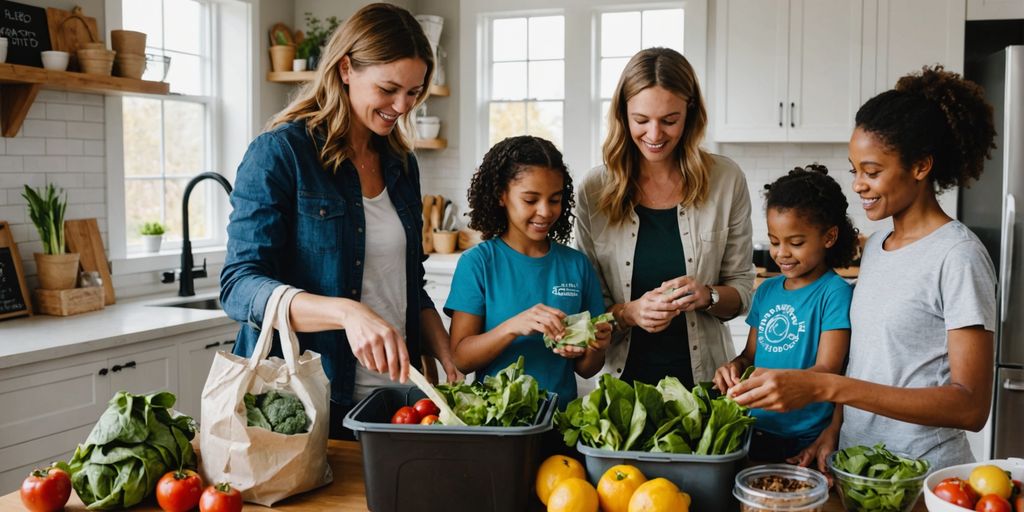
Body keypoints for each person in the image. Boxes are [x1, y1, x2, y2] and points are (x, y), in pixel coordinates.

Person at [728, 66, 998, 471]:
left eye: (872, 172)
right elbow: (866, 365)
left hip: (921, 473)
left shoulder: (958, 256)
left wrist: (825, 384)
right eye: (855, 170)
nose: (858, 185)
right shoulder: (877, 250)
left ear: (921, 166)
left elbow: (971, 406)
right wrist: (834, 430)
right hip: (859, 469)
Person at [220, 3, 459, 439]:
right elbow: (238, 286)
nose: (401, 106)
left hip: (398, 400)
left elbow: (408, 282)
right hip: (310, 404)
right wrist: (346, 313)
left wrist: (444, 348)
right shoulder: (282, 154)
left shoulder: (401, 163)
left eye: (413, 92)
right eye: (389, 89)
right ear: (346, 68)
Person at [575, 47, 755, 389]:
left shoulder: (726, 180)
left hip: (707, 387)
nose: (655, 136)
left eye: (669, 120)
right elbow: (588, 311)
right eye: (641, 120)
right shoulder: (594, 190)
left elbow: (743, 290)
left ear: (690, 114)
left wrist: (708, 295)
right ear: (622, 115)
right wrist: (630, 313)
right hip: (622, 390)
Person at [446, 135, 612, 404]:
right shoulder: (478, 263)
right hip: (496, 421)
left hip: (560, 419)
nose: (545, 211)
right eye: (530, 200)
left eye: (555, 199)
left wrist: (596, 345)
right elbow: (461, 358)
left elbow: (586, 369)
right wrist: (513, 326)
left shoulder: (576, 265)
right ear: (502, 196)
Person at [713, 164, 857, 462]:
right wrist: (733, 367)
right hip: (755, 428)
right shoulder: (766, 290)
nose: (781, 253)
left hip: (805, 437)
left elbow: (829, 370)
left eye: (796, 243)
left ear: (829, 237)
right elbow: (750, 356)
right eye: (775, 241)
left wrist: (779, 379)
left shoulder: (834, 293)